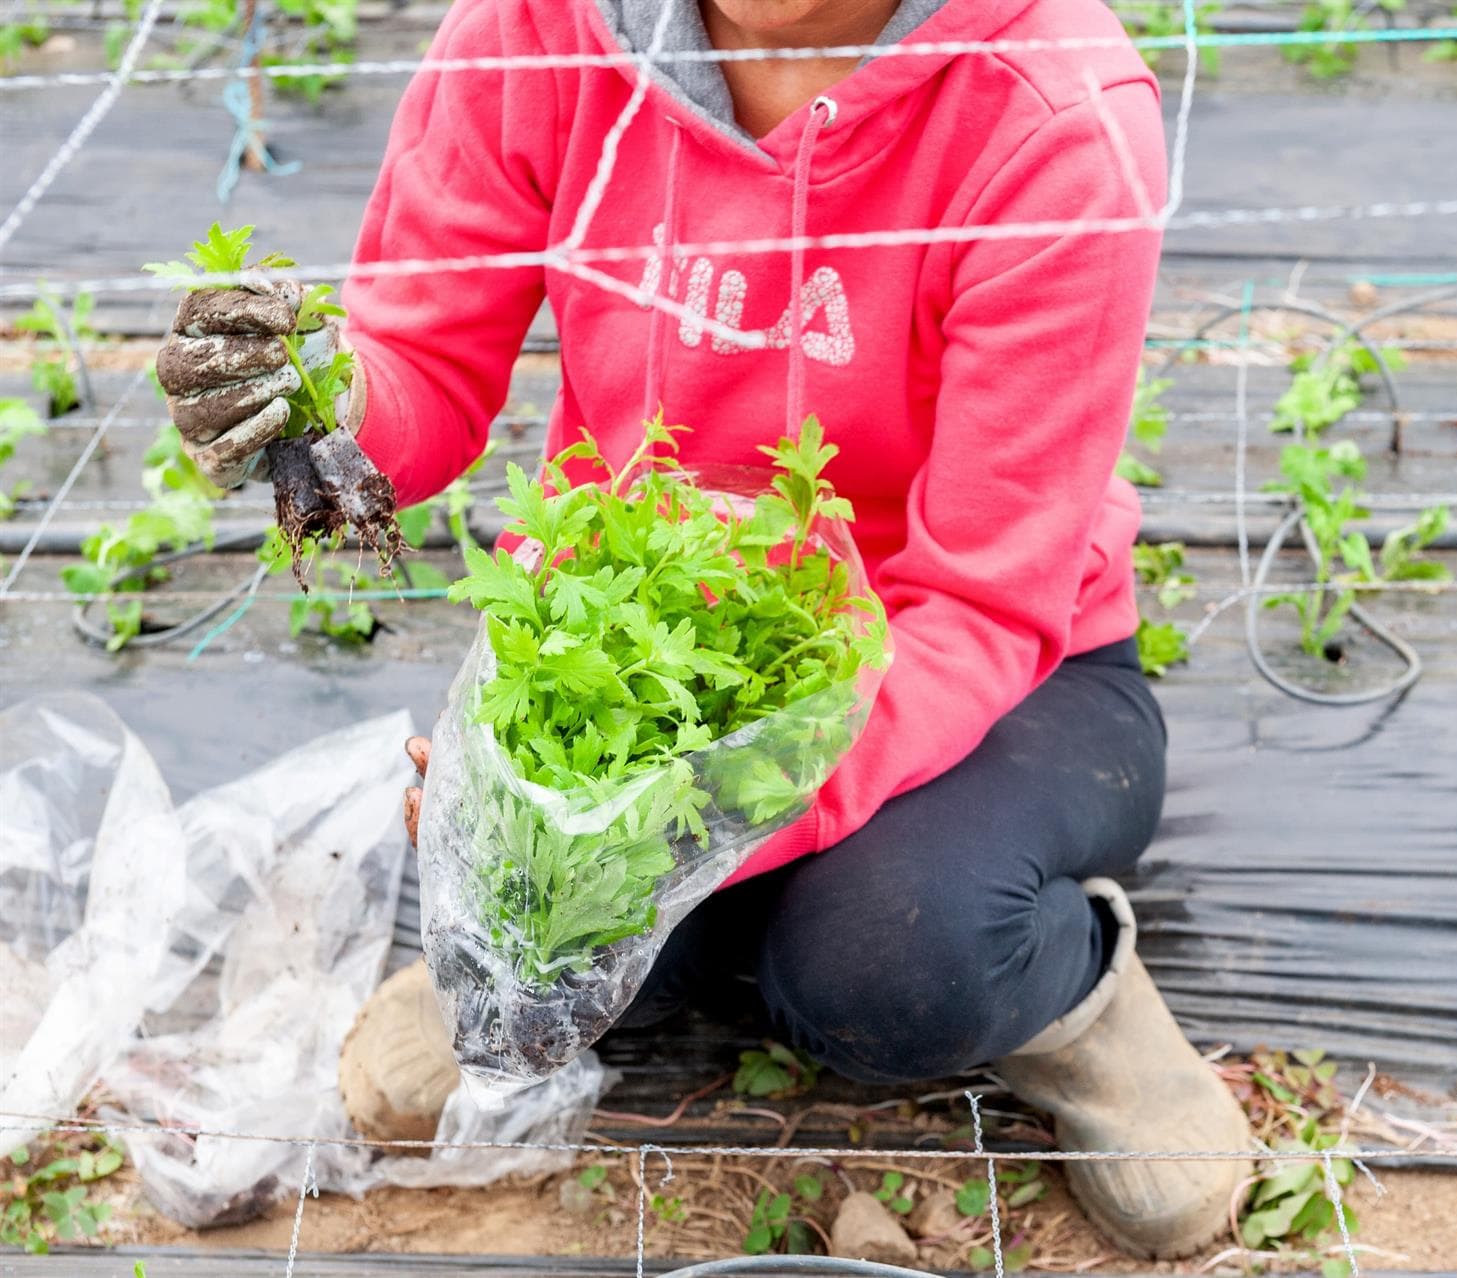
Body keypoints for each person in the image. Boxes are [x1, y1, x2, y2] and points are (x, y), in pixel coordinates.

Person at [153, 0, 1253, 1256]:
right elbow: (426, 364)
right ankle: (649, 922)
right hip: (649, 645)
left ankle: (1077, 1005)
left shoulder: (1053, 111)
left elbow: (982, 599)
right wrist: (324, 403)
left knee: (887, 967)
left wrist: (680, 824)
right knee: (537, 937)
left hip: (985, 668)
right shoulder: (538, 27)